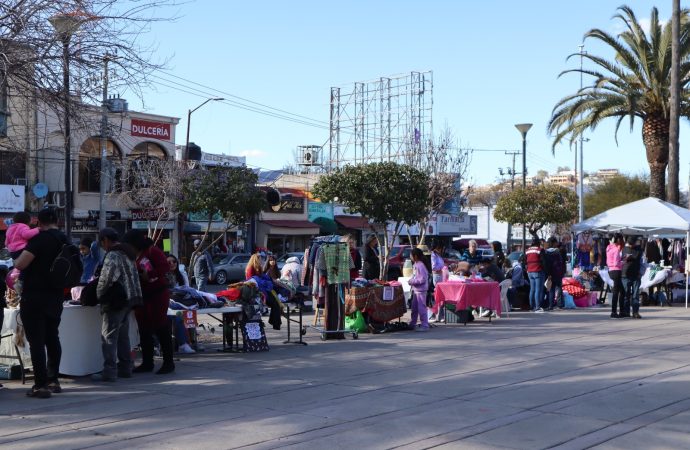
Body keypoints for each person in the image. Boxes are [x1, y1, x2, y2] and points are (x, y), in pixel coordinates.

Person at [13, 208, 67, 398]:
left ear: (38, 222)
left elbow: (20, 264)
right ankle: (53, 380)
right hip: (56, 297)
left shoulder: (39, 240)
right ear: (57, 221)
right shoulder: (64, 239)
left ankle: (40, 385)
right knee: (53, 337)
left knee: (37, 341)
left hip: (34, 296)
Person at [91, 228, 143, 382]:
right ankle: (126, 368)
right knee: (122, 336)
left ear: (106, 240)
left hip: (116, 301)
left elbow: (106, 278)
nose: (103, 247)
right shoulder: (128, 253)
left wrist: (99, 294)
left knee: (108, 337)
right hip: (129, 299)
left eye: (102, 243)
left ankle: (109, 371)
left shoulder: (114, 254)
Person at [123, 230, 175, 375]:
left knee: (160, 327)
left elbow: (164, 268)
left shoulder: (153, 251)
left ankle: (168, 363)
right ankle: (147, 363)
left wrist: (149, 275)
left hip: (157, 295)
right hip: (143, 296)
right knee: (144, 330)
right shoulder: (136, 255)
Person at [166, 254, 195, 354]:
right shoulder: (164, 275)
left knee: (181, 316)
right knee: (175, 317)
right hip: (168, 303)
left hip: (182, 302)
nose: (172, 264)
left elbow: (188, 290)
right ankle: (181, 344)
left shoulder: (181, 275)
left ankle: (185, 344)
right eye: (169, 262)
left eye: (174, 261)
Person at [407, 248, 430, 332]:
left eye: (411, 255)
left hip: (421, 290)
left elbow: (422, 279)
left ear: (415, 256)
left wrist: (412, 281)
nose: (410, 256)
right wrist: (412, 280)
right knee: (414, 308)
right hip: (416, 290)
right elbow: (416, 276)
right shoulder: (416, 264)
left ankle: (425, 325)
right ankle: (413, 323)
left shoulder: (420, 265)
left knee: (421, 308)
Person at [621, 236, 642, 319]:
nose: (630, 246)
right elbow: (622, 258)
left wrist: (630, 257)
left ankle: (635, 312)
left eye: (631, 244)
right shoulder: (624, 249)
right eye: (629, 244)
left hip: (635, 275)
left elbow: (637, 257)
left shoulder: (638, 250)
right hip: (625, 275)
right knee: (626, 295)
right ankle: (626, 312)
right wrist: (629, 257)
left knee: (635, 295)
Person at [525, 237, 546, 312]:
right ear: (538, 243)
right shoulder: (539, 250)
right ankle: (537, 307)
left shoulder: (527, 250)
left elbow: (524, 261)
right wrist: (545, 270)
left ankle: (531, 306)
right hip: (538, 271)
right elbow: (544, 262)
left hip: (529, 272)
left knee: (532, 289)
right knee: (538, 289)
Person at [607, 233, 624, 318]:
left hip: (610, 270)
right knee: (617, 292)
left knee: (620, 291)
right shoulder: (616, 250)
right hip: (616, 270)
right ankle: (614, 311)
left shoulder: (609, 248)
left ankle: (620, 311)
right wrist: (623, 261)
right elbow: (616, 263)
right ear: (618, 240)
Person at [544, 237, 564, 310]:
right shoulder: (557, 251)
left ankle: (550, 305)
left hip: (550, 272)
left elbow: (546, 264)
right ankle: (559, 305)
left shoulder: (546, 252)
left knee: (551, 289)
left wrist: (548, 273)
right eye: (556, 242)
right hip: (557, 272)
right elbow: (560, 262)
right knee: (558, 288)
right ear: (554, 243)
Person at [429, 242, 445, 323]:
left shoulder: (438, 255)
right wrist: (442, 268)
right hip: (437, 277)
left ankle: (439, 314)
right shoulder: (433, 255)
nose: (441, 250)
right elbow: (434, 267)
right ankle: (435, 314)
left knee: (440, 296)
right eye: (440, 248)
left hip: (441, 276)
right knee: (437, 296)